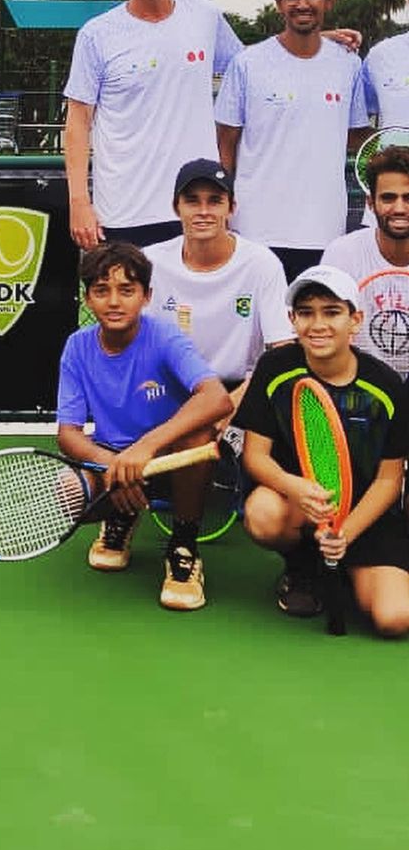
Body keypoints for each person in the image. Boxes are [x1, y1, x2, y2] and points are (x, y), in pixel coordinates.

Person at [56, 242, 232, 611]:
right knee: (69, 492)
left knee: (200, 435)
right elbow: (68, 434)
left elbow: (217, 398)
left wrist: (144, 449)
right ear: (87, 299)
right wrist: (112, 465)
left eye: (127, 290)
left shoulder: (165, 337)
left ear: (147, 296)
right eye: (102, 291)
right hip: (113, 460)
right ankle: (121, 516)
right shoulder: (76, 347)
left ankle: (183, 545)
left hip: (167, 461)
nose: (114, 301)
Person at [237, 265, 409, 636]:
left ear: (355, 320)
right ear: (292, 320)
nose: (317, 325)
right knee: (263, 512)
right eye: (306, 313)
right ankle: (302, 567)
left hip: (366, 519)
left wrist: (344, 533)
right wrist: (295, 486)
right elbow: (255, 456)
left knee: (395, 619)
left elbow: (388, 480)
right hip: (301, 507)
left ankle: (345, 570)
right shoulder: (275, 369)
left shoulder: (386, 386)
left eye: (331, 312)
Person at [63, 0, 244, 249]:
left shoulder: (205, 17)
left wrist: (308, 41)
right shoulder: (97, 34)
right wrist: (79, 202)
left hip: (193, 209)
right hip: (122, 211)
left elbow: (250, 69)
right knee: (126, 301)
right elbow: (77, 121)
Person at [215, 0, 369, 281]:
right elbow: (225, 144)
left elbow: (356, 137)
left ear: (329, 1)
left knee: (315, 330)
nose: (303, 4)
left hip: (325, 231)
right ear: (278, 3)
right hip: (255, 231)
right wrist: (222, 209)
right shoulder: (247, 64)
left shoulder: (348, 64)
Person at [146, 159, 294, 419]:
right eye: (192, 201)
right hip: (171, 390)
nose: (204, 211)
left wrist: (229, 407)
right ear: (176, 207)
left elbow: (282, 352)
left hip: (242, 390)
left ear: (231, 207)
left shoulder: (262, 263)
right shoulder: (150, 262)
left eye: (215, 201)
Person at [321, 145, 409, 371]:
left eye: (408, 198)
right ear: (370, 203)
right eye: (388, 198)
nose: (399, 208)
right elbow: (325, 332)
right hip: (360, 379)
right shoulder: (342, 253)